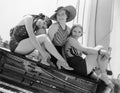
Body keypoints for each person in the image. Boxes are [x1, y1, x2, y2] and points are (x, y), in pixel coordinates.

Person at [64, 24, 114, 90]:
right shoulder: (70, 40)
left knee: (100, 81)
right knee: (99, 48)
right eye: (74, 31)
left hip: (80, 67)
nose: (76, 34)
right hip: (78, 66)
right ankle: (103, 70)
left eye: (79, 32)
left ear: (81, 33)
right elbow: (85, 49)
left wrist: (100, 52)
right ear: (71, 31)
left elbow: (88, 52)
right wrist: (101, 52)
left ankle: (103, 67)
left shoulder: (77, 42)